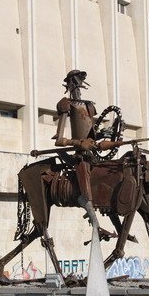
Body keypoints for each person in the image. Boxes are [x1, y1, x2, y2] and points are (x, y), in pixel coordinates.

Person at [52, 70, 99, 204]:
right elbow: (59, 141)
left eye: (80, 79)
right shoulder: (66, 104)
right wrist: (79, 143)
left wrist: (104, 134)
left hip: (93, 154)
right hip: (79, 157)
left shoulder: (89, 106)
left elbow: (91, 134)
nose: (78, 84)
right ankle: (87, 206)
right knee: (85, 188)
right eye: (75, 80)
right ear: (69, 83)